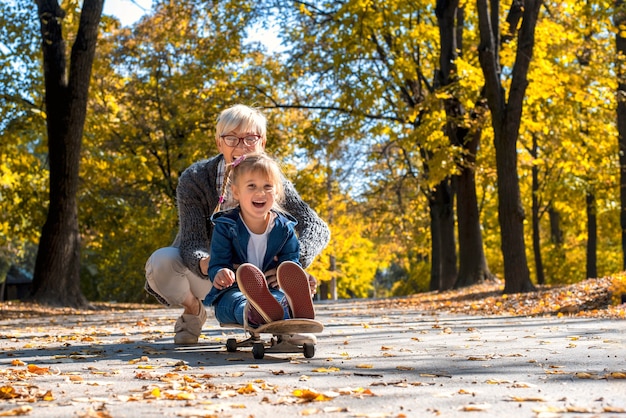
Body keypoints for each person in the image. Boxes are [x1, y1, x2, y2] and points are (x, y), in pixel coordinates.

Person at [144, 104, 330, 344]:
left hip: (263, 274)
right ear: (219, 143)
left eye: (250, 138)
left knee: (279, 295)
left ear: (262, 142)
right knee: (161, 261)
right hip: (216, 274)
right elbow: (191, 242)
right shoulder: (196, 178)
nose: (241, 146)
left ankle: (290, 324)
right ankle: (193, 311)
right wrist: (209, 263)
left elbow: (316, 227)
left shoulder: (272, 179)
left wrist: (289, 266)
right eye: (231, 138)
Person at [206, 152, 315, 328]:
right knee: (235, 304)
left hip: (270, 291)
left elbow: (290, 261)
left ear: (277, 191)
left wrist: (289, 276)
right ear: (236, 192)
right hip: (232, 291)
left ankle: (292, 311)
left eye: (267, 186)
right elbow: (218, 263)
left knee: (279, 300)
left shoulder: (284, 228)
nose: (260, 192)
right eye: (251, 186)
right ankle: (254, 313)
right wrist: (220, 273)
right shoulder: (226, 225)